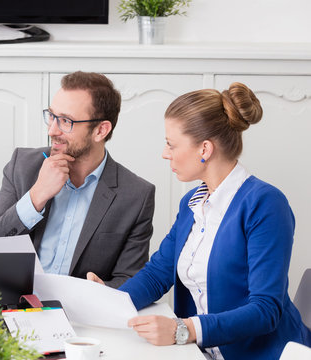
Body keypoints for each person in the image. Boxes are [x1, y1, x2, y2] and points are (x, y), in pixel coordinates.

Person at [88, 82, 311, 359]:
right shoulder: (192, 202)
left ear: (204, 149)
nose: (164, 153)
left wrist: (183, 329)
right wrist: (110, 301)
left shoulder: (265, 204)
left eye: (171, 144)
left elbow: (266, 310)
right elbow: (158, 273)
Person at [0, 71, 155, 288]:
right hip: (16, 305)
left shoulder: (136, 195)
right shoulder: (23, 166)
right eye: (51, 116)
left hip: (84, 315)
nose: (52, 130)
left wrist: (102, 290)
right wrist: (36, 197)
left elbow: (131, 280)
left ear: (100, 130)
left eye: (65, 121)